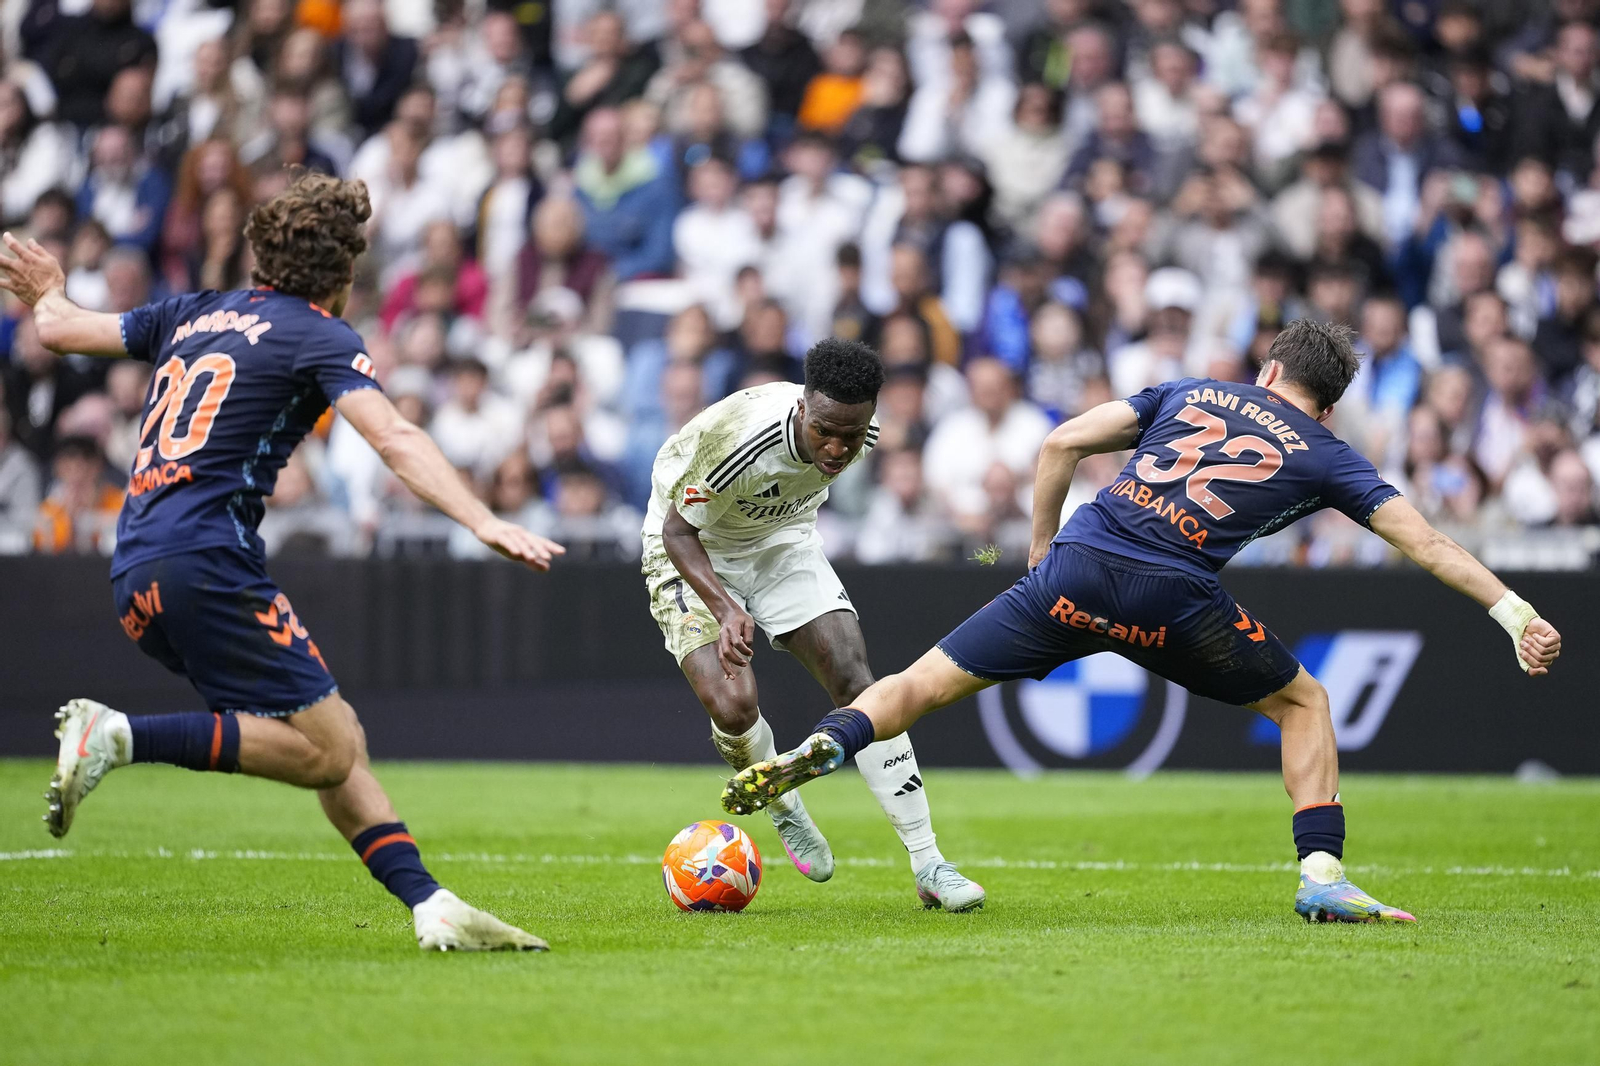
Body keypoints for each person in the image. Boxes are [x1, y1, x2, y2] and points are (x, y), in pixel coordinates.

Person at [721, 319, 1562, 924]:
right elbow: (1424, 540)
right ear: (1328, 403)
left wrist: (1042, 547)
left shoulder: (1194, 390)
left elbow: (1059, 445)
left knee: (923, 683)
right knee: (1303, 704)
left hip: (1077, 565)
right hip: (1172, 596)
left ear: (1267, 370)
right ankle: (1322, 873)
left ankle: (832, 740)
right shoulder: (1325, 451)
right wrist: (1513, 610)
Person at [0, 172, 565, 952]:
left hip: (134, 568)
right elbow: (396, 439)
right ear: (343, 275)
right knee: (329, 749)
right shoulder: (319, 334)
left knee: (334, 738)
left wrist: (48, 291)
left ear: (259, 255)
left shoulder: (193, 312)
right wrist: (483, 518)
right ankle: (117, 736)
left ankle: (430, 903)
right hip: (208, 562)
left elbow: (60, 331)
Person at [642, 339, 984, 911]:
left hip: (782, 540)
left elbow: (829, 466)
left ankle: (930, 863)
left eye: (851, 435)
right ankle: (785, 808)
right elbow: (679, 532)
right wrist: (728, 609)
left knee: (862, 686)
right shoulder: (740, 441)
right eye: (825, 429)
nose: (837, 446)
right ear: (802, 407)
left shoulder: (864, 432)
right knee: (732, 706)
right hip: (690, 542)